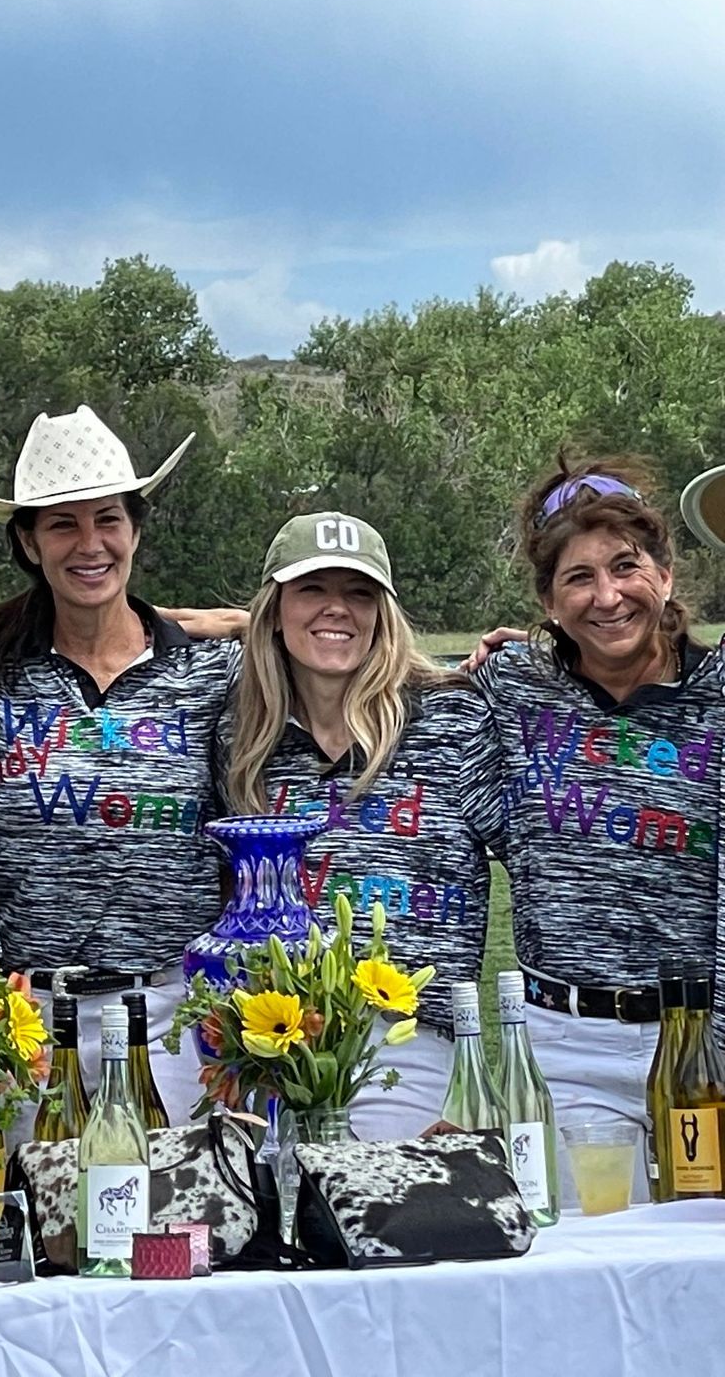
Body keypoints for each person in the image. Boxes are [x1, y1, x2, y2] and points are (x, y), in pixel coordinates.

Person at [0, 403, 232, 1122]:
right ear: (27, 541)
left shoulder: (211, 671)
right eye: (62, 524)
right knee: (30, 1226)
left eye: (108, 519)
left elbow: (339, 643)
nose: (90, 543)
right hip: (26, 1019)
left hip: (172, 1015)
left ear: (136, 527)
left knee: (173, 1227)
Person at [471, 456, 720, 1202]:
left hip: (702, 1044)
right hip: (570, 1048)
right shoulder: (511, 686)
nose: (607, 596)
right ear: (547, 601)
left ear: (667, 574)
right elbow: (371, 660)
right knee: (589, 1269)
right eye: (578, 578)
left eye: (626, 566)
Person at [217, 512, 502, 1139]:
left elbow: (539, 855)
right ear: (275, 608)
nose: (336, 609)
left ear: (384, 611)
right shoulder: (240, 732)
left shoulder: (450, 716)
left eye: (359, 593)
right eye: (312, 590)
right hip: (266, 1040)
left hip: (403, 1044)